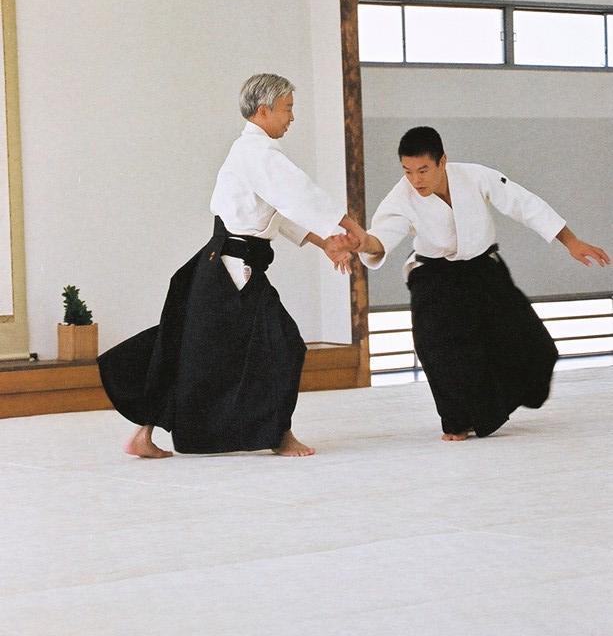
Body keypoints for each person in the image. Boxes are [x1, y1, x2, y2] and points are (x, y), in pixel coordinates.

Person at [98, 74, 364, 459]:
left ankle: (145, 433)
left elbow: (279, 211)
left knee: (188, 344)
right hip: (233, 269)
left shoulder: (252, 154)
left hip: (223, 264)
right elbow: (300, 195)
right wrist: (351, 228)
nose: (292, 117)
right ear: (264, 111)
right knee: (282, 344)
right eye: (287, 109)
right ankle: (280, 435)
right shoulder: (257, 154)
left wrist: (326, 242)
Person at [330, 126, 610, 441]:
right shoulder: (401, 197)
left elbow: (523, 204)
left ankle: (492, 405)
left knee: (536, 347)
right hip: (434, 276)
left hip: (481, 269)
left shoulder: (474, 176)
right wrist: (361, 242)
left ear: (442, 161)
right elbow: (380, 239)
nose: (416, 180)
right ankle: (457, 421)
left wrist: (571, 242)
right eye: (408, 171)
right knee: (439, 350)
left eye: (423, 170)